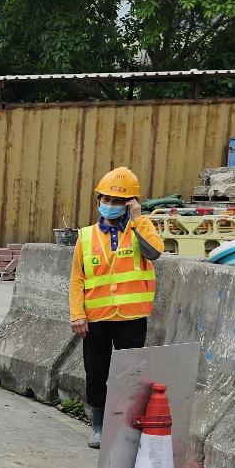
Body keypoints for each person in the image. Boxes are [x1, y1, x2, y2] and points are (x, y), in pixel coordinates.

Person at [69, 167, 163, 447]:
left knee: (130, 374)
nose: (109, 205)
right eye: (105, 199)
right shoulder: (85, 236)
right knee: (96, 373)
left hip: (132, 317)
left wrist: (138, 219)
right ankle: (98, 427)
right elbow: (77, 278)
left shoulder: (139, 230)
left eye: (117, 201)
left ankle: (125, 425)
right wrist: (77, 314)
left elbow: (154, 252)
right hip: (96, 318)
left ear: (130, 203)